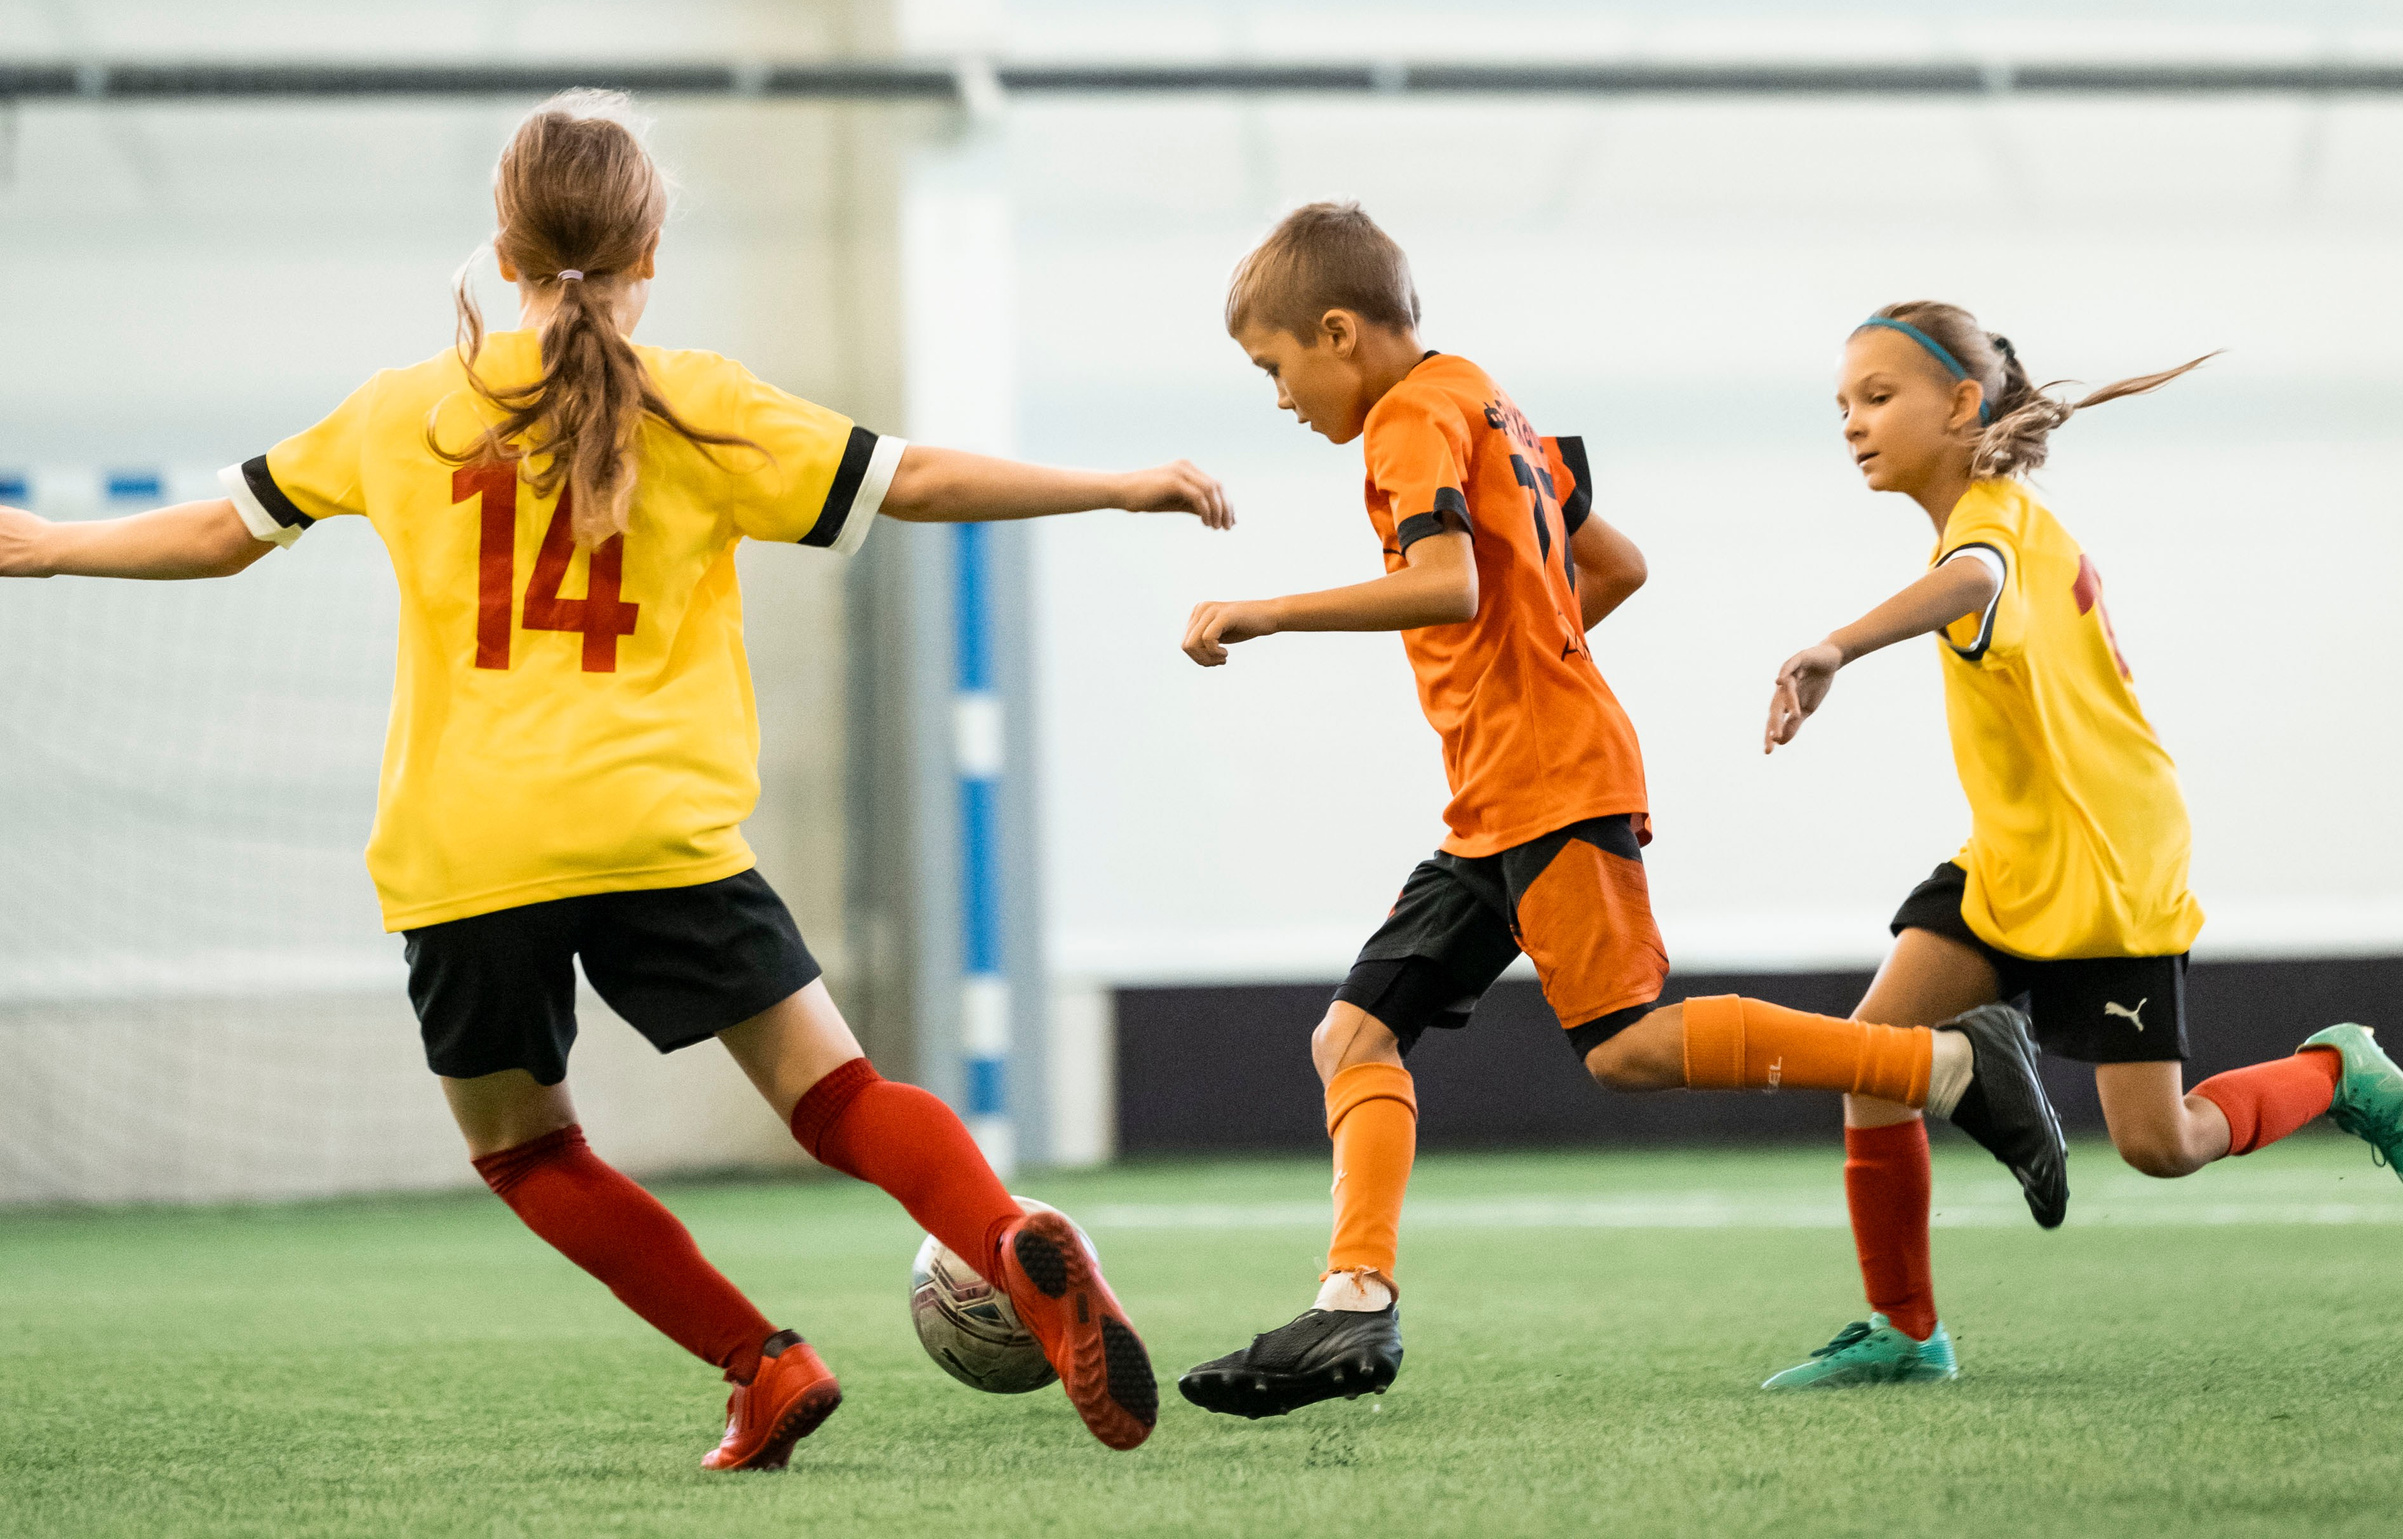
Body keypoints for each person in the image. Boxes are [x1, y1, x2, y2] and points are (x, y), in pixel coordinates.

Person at [0, 90, 1227, 1466]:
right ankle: (1004, 1237)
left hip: (465, 848)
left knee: (529, 1152)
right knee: (837, 1094)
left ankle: (763, 1362)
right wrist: (1115, 484)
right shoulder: (699, 403)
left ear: (501, 250)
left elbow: (222, 532)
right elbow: (918, 478)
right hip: (662, 832)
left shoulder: (402, 411)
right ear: (651, 254)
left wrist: (48, 544)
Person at [1170, 205, 2069, 1420]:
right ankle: (1353, 1302)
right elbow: (1614, 565)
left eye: (1275, 369)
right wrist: (1521, 659)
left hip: (1544, 781)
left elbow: (1443, 580)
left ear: (1337, 333)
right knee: (1354, 1036)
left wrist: (1264, 612)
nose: (1279, 399)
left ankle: (1948, 1060)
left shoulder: (1404, 422)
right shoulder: (1491, 401)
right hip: (1499, 792)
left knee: (1629, 1048)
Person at [1755, 302, 2403, 1391]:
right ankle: (1907, 1332)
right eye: (1842, 403)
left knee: (2160, 1144)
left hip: (2107, 864)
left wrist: (1835, 645)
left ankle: (2337, 1071)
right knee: (1873, 1058)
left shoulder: (1991, 526)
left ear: (1959, 403)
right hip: (2015, 855)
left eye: (1877, 397)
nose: (1852, 422)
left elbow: (1974, 585)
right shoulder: (1989, 521)